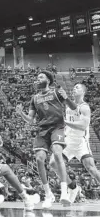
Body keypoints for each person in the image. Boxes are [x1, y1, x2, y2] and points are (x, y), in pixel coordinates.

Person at [16, 71, 77, 209]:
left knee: (57, 152)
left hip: (57, 127)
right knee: (39, 159)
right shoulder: (35, 98)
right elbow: (30, 120)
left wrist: (66, 98)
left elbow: (73, 107)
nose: (38, 79)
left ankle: (64, 193)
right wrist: (21, 114)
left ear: (48, 80)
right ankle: (48, 194)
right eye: (37, 77)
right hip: (42, 130)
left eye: (41, 77)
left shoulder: (56, 92)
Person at [49, 83, 100, 203]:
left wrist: (66, 122)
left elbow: (83, 126)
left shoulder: (85, 107)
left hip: (81, 142)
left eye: (77, 87)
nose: (74, 89)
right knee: (53, 163)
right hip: (68, 141)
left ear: (83, 92)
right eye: (73, 87)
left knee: (91, 169)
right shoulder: (69, 106)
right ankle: (73, 187)